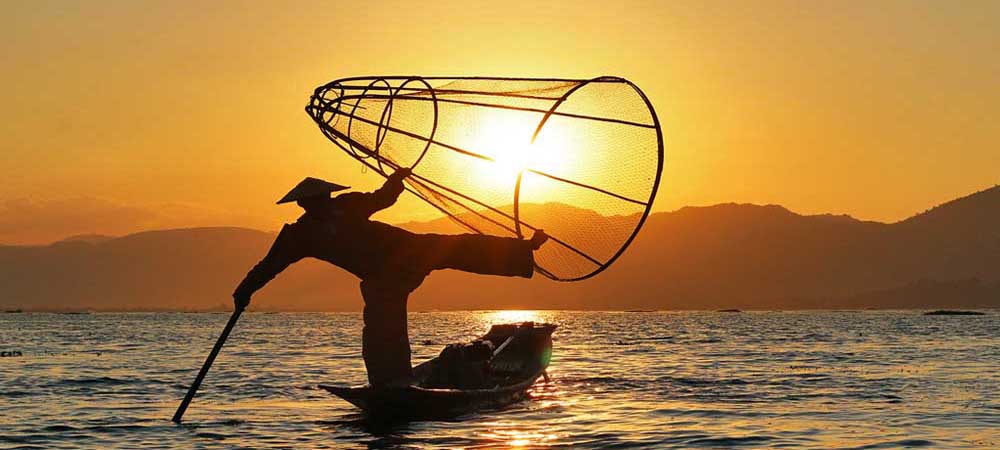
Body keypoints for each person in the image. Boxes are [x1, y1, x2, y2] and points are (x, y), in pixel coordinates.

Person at [232, 168, 548, 388]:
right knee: (382, 328)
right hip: (382, 277)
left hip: (408, 250)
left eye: (324, 198)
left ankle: (524, 250)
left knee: (461, 246)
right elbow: (267, 266)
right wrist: (244, 291)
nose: (323, 202)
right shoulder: (299, 236)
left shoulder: (347, 205)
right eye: (316, 200)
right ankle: (390, 383)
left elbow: (382, 198)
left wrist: (396, 181)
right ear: (304, 204)